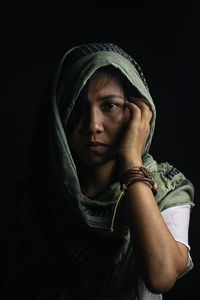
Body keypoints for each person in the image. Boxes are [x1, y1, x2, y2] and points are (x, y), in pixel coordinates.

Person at [7, 42, 195, 300]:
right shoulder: (35, 196)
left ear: (136, 112)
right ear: (60, 114)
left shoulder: (164, 187)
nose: (93, 125)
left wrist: (131, 161)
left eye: (110, 106)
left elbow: (160, 275)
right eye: (77, 106)